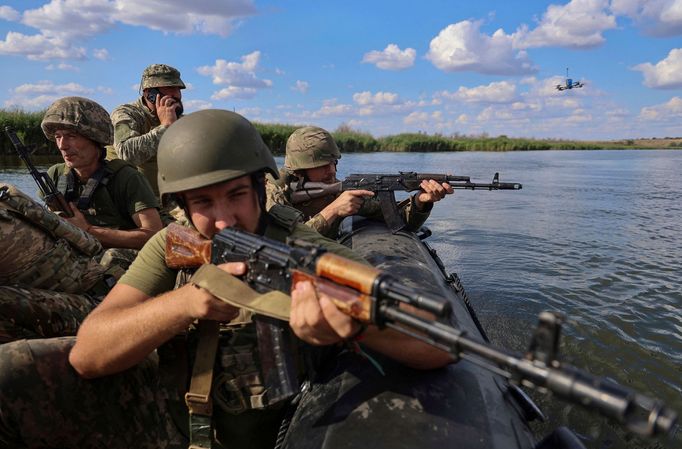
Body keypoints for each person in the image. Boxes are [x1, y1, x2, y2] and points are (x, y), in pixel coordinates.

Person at [0, 110, 451, 449]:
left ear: (260, 187)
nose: (223, 220)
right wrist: (191, 301)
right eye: (203, 203)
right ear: (182, 204)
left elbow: (437, 344)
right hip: (173, 420)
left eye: (237, 194)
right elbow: (89, 353)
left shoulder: (309, 251)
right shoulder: (174, 245)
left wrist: (353, 323)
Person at [266, 126, 454, 238]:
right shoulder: (274, 190)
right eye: (323, 165)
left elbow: (399, 221)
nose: (331, 170)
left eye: (334, 162)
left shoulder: (337, 191)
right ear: (300, 169)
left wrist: (421, 202)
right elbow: (285, 242)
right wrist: (332, 211)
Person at [42, 96, 163, 251]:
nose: (62, 145)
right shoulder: (56, 175)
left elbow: (153, 235)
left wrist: (87, 231)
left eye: (71, 136)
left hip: (116, 258)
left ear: (95, 138)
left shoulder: (126, 177)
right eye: (58, 137)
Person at [110, 63, 186, 197]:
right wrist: (165, 127)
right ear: (149, 93)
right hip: (139, 200)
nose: (177, 95)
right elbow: (126, 154)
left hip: (173, 196)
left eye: (178, 89)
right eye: (169, 88)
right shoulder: (126, 113)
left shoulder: (179, 119)